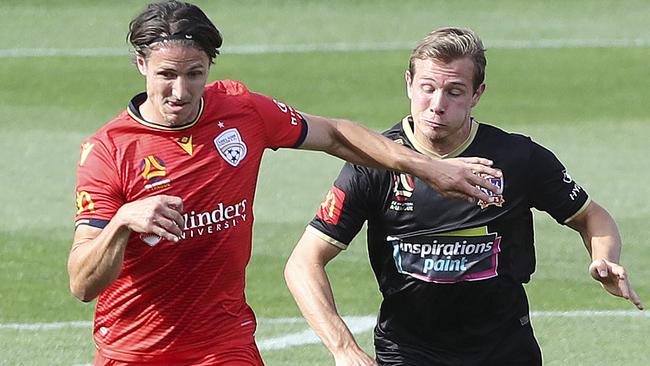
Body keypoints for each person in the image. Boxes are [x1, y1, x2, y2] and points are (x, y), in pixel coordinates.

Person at [67, 2, 504, 365]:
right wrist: (123, 221)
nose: (181, 91)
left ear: (209, 67)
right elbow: (83, 284)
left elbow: (335, 134)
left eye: (194, 74)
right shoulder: (109, 151)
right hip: (135, 349)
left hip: (225, 343)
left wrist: (430, 168)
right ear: (142, 64)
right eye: (167, 75)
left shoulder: (241, 112)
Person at [284, 27, 644, 366]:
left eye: (454, 92)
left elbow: (589, 214)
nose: (437, 105)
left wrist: (605, 257)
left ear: (477, 94)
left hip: (505, 351)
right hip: (408, 353)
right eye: (427, 88)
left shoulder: (517, 158)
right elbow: (303, 263)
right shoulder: (373, 164)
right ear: (409, 84)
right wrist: (344, 348)